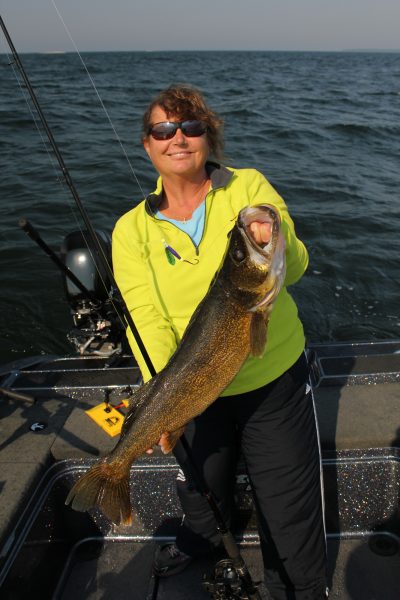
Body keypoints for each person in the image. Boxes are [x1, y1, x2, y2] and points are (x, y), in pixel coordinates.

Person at [112, 84, 328, 600]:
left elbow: (296, 266)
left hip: (272, 384)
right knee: (200, 491)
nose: (178, 138)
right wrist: (164, 400)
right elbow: (146, 321)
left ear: (208, 137)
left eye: (191, 127)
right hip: (190, 389)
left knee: (289, 510)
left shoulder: (247, 188)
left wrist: (274, 234)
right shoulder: (130, 231)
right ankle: (200, 536)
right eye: (164, 129)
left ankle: (297, 588)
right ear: (147, 144)